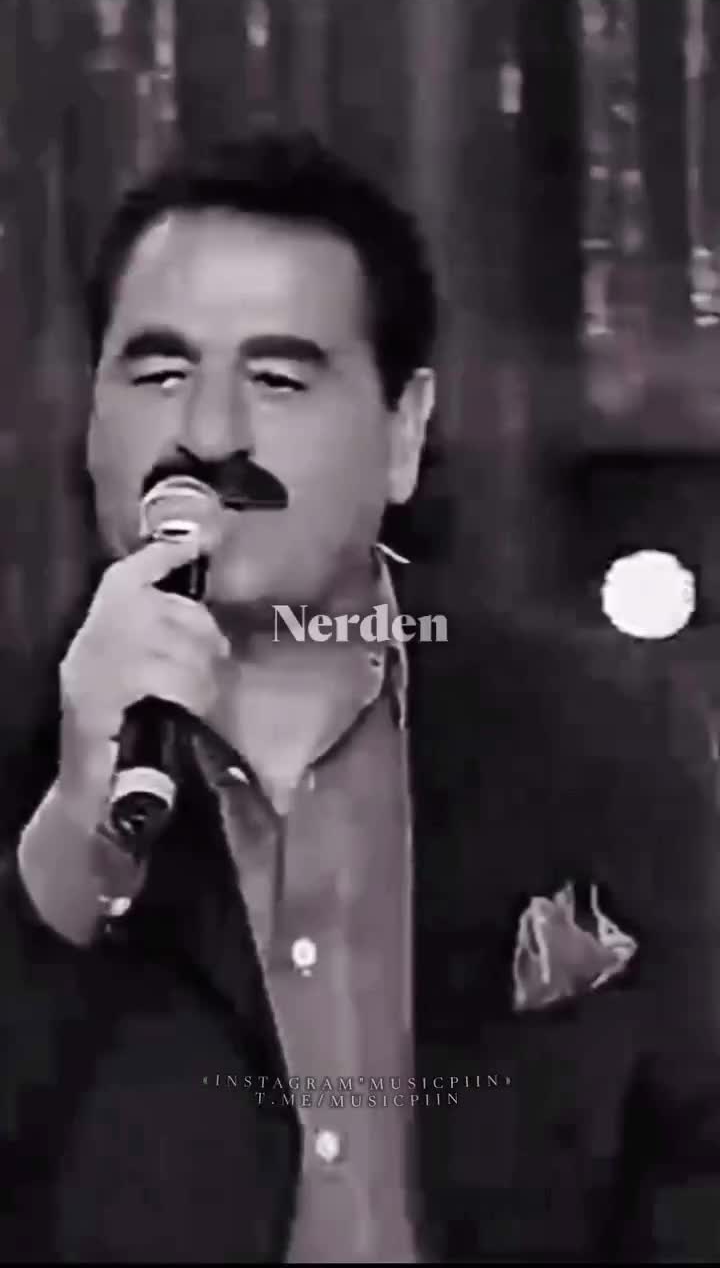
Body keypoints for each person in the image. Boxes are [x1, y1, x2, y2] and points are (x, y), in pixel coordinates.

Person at [2, 130, 720, 1264]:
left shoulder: (607, 741)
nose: (209, 434)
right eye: (160, 373)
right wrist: (65, 850)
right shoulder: (26, 767)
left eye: (279, 380)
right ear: (92, 419)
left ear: (403, 433)